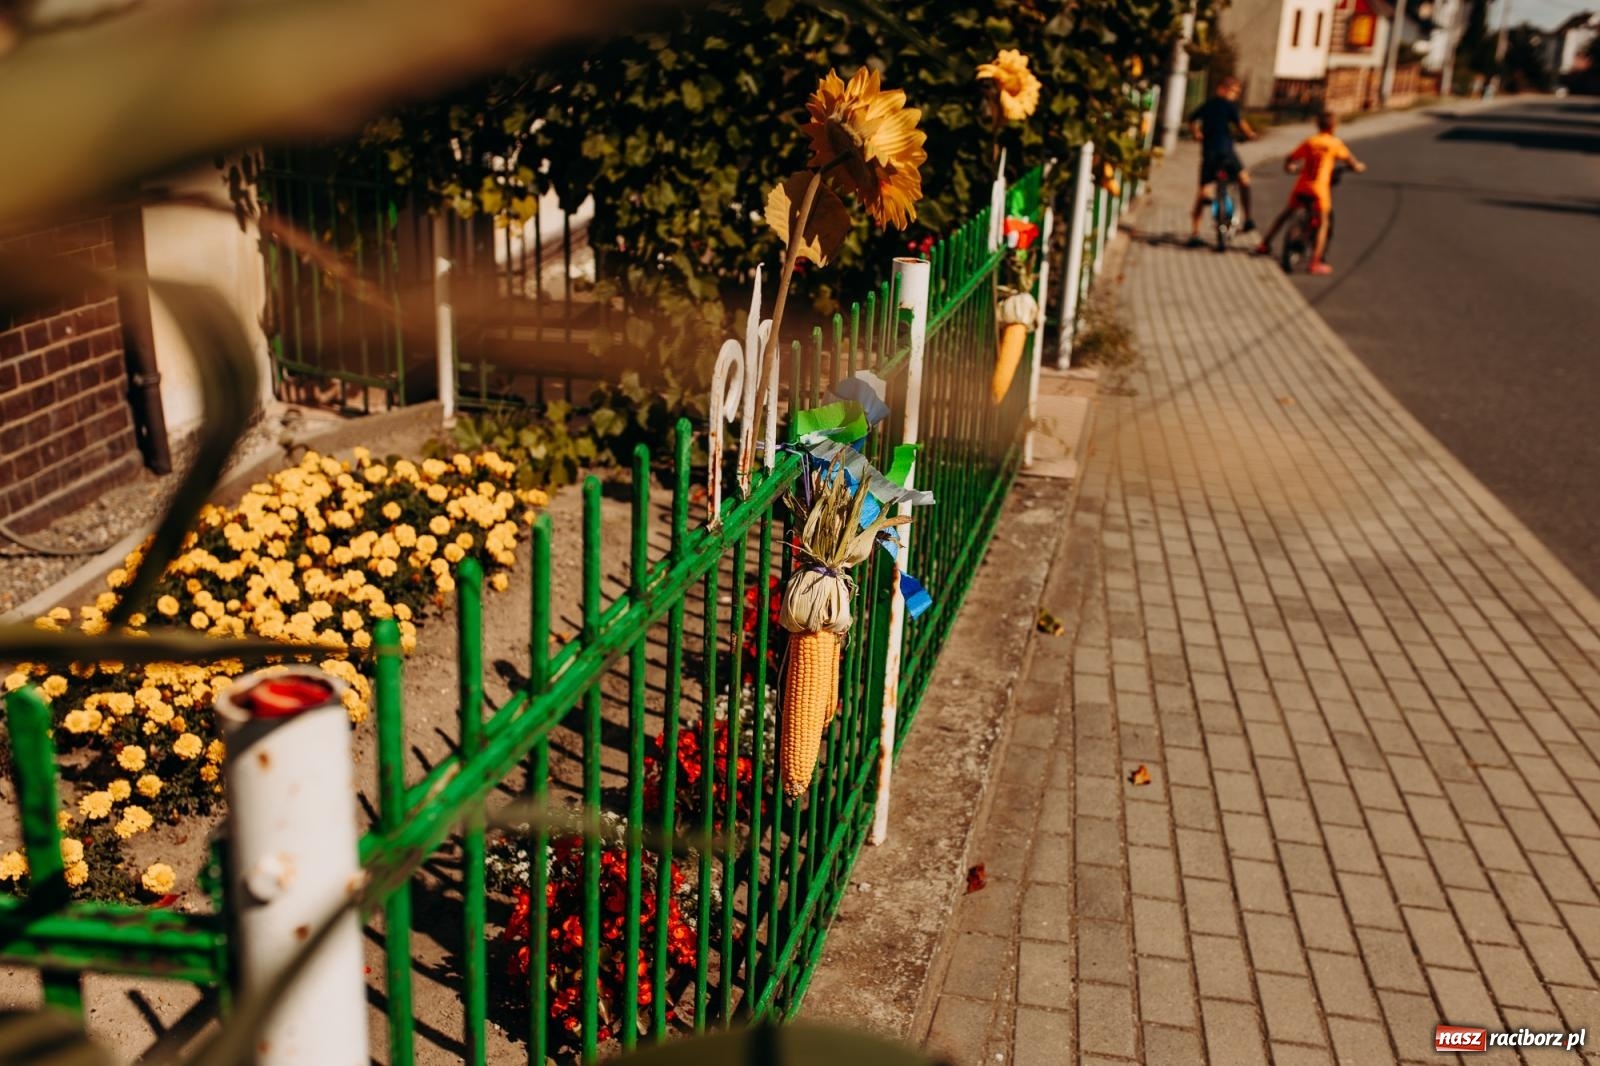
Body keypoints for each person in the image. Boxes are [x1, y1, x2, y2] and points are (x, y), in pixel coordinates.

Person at [1255, 110, 1367, 275]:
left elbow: (1290, 158)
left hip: (1302, 186)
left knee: (1286, 214)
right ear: (1334, 127)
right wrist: (1358, 167)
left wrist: (1290, 168)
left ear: (1317, 125)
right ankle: (1315, 263)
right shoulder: (1335, 143)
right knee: (1323, 223)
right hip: (1319, 188)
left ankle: (1264, 244)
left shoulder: (1310, 142)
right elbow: (1350, 160)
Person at [1188, 76, 1259, 246]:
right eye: (1235, 92)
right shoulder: (1229, 105)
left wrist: (1196, 133)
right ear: (1226, 89)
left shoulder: (1209, 104)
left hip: (1208, 152)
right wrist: (1250, 135)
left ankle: (1195, 233)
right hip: (1226, 152)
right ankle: (1248, 218)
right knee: (1244, 180)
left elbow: (1192, 119)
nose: (1236, 95)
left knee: (1203, 189)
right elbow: (1241, 123)